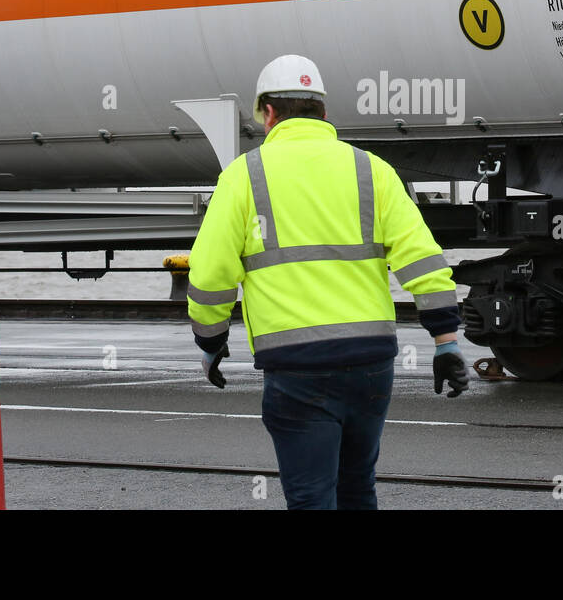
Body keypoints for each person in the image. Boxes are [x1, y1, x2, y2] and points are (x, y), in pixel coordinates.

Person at [186, 54, 469, 510]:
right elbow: (422, 259)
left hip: (297, 369)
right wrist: (446, 341)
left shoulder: (244, 176)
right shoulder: (372, 170)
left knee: (312, 498)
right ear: (323, 111)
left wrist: (210, 341)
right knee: (358, 489)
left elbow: (211, 276)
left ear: (269, 113)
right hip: (371, 366)